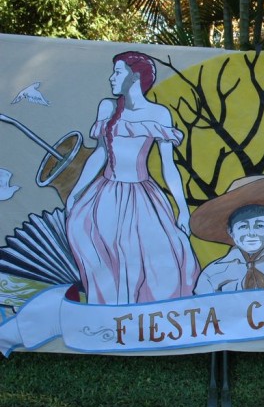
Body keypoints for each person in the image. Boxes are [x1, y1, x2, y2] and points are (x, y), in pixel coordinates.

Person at [66, 51, 200, 305]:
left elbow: (168, 166)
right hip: (106, 197)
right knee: (109, 258)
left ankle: (143, 313)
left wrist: (183, 209)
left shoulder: (158, 114)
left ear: (135, 76)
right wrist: (76, 192)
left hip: (143, 199)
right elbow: (100, 154)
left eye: (117, 72)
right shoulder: (107, 107)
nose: (111, 78)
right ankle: (110, 312)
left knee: (158, 256)